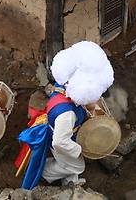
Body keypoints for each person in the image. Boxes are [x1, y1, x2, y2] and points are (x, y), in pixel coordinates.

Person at [16, 41, 114, 188]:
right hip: (60, 136)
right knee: (78, 166)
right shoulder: (67, 114)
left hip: (63, 130)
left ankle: (70, 182)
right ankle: (45, 173)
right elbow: (59, 142)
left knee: (72, 161)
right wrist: (81, 149)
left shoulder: (65, 84)